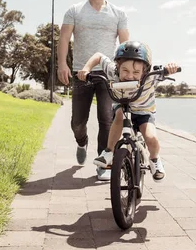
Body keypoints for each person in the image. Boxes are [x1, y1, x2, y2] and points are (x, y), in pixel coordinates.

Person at [57, 0, 129, 181]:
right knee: (77, 122)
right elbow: (63, 39)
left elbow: (125, 44)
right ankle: (81, 141)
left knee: (107, 119)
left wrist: (126, 71)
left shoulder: (118, 13)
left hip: (109, 74)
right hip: (82, 72)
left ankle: (102, 162)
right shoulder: (75, 11)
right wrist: (63, 64)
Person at [77, 41, 179, 182]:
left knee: (151, 137)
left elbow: (167, 69)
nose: (130, 76)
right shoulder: (113, 71)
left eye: (136, 72)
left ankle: (155, 160)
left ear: (145, 71)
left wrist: (170, 67)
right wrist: (86, 68)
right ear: (118, 67)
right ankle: (108, 152)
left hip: (144, 112)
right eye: (125, 70)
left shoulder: (151, 76)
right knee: (118, 116)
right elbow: (99, 56)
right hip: (122, 107)